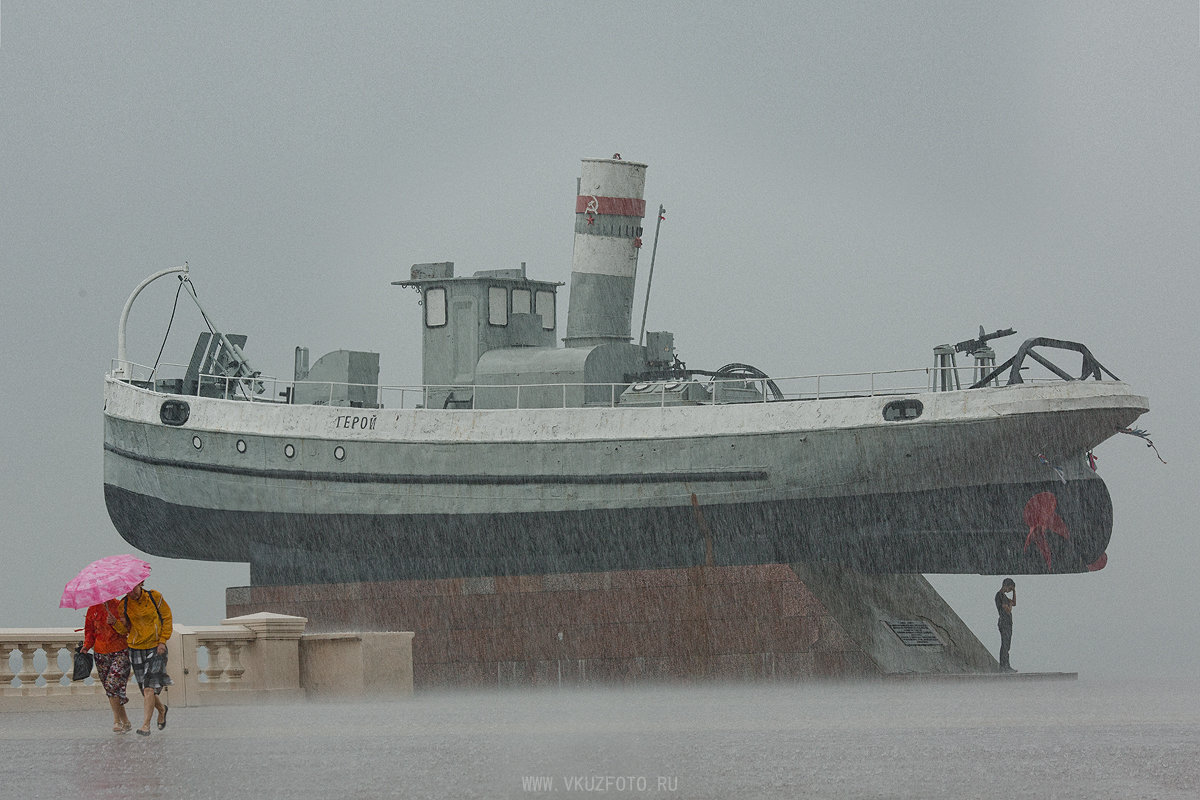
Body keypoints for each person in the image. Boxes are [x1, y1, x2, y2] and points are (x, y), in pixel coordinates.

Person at [113, 581, 173, 736]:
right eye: (126, 590)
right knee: (144, 689)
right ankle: (161, 709)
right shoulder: (124, 605)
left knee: (149, 687)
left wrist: (162, 641)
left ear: (140, 584)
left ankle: (145, 725)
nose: (130, 593)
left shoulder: (154, 597)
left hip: (156, 647)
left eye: (132, 589)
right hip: (136, 649)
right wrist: (115, 623)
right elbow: (125, 630)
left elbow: (167, 618)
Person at [81, 598, 132, 733]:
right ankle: (125, 721)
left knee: (112, 684)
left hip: (120, 651)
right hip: (101, 653)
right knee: (111, 689)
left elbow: (127, 630)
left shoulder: (119, 606)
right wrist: (86, 646)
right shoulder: (93, 609)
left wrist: (115, 623)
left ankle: (116, 721)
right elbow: (89, 631)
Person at [995, 577, 1016, 671]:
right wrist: (1010, 605)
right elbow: (1007, 609)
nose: (1010, 591)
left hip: (1006, 622)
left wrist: (1014, 592)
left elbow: (1014, 603)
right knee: (1005, 644)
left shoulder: (1004, 596)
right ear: (1006, 586)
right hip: (1004, 622)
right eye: (1010, 589)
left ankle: (1006, 665)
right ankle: (1004, 666)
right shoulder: (1000, 595)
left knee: (1007, 645)